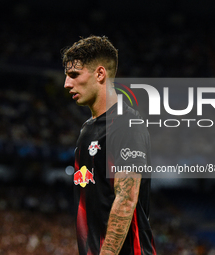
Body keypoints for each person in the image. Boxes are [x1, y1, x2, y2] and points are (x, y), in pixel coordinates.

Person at [62, 35, 157, 255]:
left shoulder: (126, 124)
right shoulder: (87, 130)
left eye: (74, 75)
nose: (67, 84)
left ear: (100, 73)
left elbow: (126, 199)